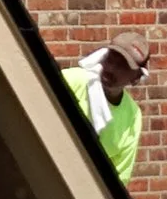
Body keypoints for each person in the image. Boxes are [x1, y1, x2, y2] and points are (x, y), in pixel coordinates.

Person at [60, 32, 151, 182]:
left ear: (135, 78)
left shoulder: (132, 116)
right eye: (110, 59)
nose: (111, 68)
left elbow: (120, 175)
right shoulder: (71, 81)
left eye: (122, 65)